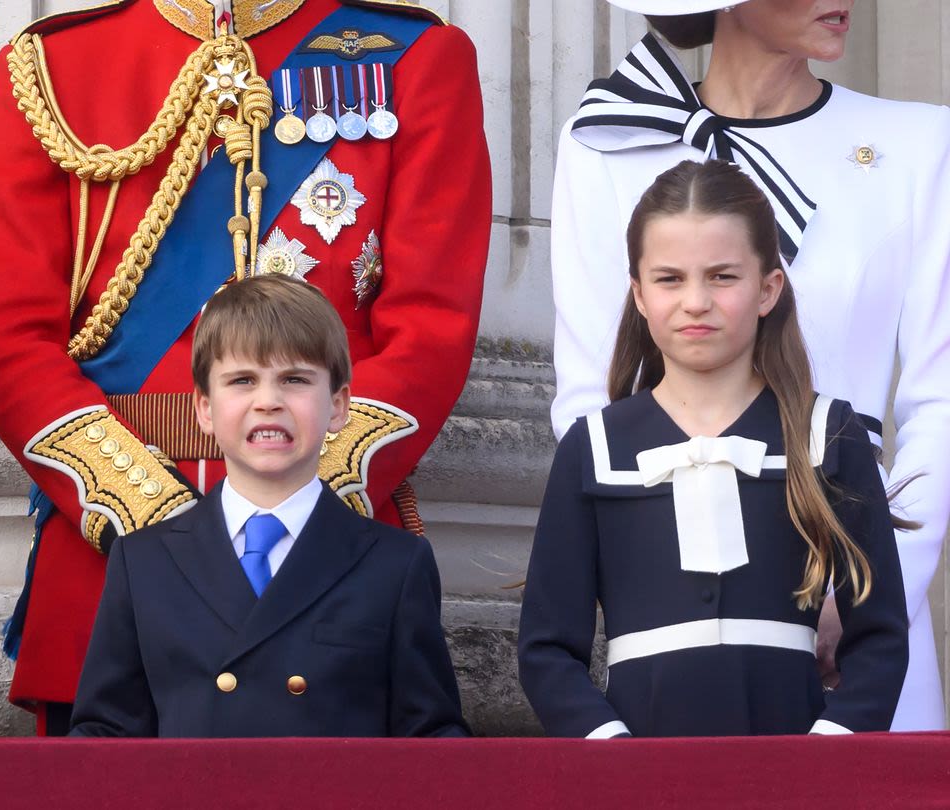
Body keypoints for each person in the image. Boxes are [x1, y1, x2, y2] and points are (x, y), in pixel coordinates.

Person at [0, 0, 491, 734]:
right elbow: (10, 340)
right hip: (113, 557)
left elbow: (431, 329)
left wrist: (303, 504)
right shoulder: (50, 69)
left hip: (328, 559)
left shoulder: (414, 57)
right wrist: (160, 530)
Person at [549, 0, 950, 731]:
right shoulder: (607, 139)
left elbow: (942, 396)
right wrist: (650, 588)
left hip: (860, 555)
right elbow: (587, 394)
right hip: (676, 607)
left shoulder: (921, 143)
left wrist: (869, 588)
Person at [520, 159, 908, 738]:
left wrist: (830, 750)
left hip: (797, 771)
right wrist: (610, 750)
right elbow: (547, 650)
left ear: (767, 288)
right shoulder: (593, 446)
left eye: (723, 277)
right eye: (670, 279)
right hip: (636, 775)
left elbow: (878, 636)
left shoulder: (830, 435)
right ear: (640, 294)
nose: (695, 301)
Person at [69, 274, 467, 737]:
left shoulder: (395, 565)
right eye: (242, 380)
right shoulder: (143, 563)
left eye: (295, 380)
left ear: (338, 406)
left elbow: (433, 746)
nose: (268, 402)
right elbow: (103, 742)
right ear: (205, 409)